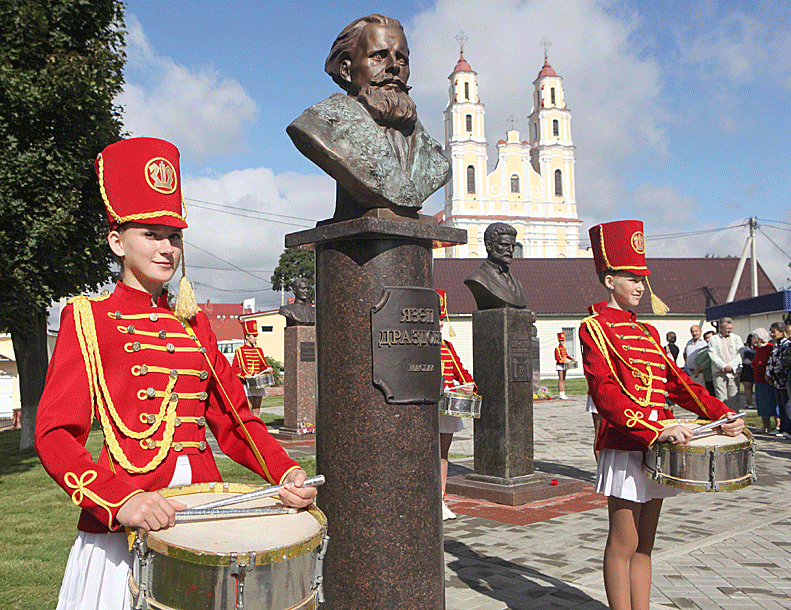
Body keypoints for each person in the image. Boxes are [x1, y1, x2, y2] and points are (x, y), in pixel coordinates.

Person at [35, 138, 317, 610]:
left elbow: (235, 420)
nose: (167, 248)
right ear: (116, 241)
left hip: (201, 514)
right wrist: (120, 501)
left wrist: (284, 470)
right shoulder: (88, 319)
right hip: (123, 520)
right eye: (151, 234)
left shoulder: (195, 324)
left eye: (175, 236)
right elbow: (54, 434)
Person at [580, 219, 742, 610]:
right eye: (632, 278)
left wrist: (724, 415)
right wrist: (657, 428)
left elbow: (681, 386)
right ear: (609, 280)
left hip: (660, 444)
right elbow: (606, 395)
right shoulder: (594, 329)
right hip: (627, 444)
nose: (640, 287)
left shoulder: (650, 334)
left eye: (642, 279)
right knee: (624, 542)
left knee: (646, 544)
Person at [287, 14, 450, 220]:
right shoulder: (319, 125)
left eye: (402, 59)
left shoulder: (436, 158)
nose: (394, 66)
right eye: (379, 56)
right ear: (346, 71)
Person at [436, 289, 476, 521]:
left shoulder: (448, 348)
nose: (439, 325)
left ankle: (441, 498)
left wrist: (469, 386)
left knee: (443, 454)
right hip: (427, 408)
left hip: (447, 407)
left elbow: (463, 375)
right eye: (435, 320)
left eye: (441, 320)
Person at [464, 222, 527, 310]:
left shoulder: (517, 284)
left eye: (513, 246)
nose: (511, 250)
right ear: (489, 245)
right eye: (504, 245)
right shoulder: (478, 278)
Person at [231, 318, 274, 417]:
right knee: (248, 408)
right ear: (247, 336)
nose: (255, 338)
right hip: (247, 383)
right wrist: (245, 375)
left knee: (257, 409)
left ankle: (256, 430)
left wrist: (269, 369)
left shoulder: (259, 350)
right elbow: (234, 368)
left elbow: (263, 366)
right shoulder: (240, 350)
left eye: (256, 336)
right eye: (254, 336)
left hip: (258, 383)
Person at [707, 317, 744, 408]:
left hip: (733, 373)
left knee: (733, 399)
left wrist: (731, 366)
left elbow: (740, 353)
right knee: (721, 399)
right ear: (721, 328)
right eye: (727, 329)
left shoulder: (736, 338)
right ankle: (724, 419)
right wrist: (724, 366)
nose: (729, 331)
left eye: (731, 328)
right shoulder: (713, 339)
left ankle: (734, 419)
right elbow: (713, 355)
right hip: (719, 373)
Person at [751, 327, 777, 434]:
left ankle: (778, 425)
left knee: (773, 402)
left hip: (768, 380)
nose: (752, 339)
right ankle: (766, 426)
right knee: (762, 404)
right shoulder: (757, 348)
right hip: (758, 380)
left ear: (758, 338)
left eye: (753, 337)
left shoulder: (770, 347)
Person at [766, 322, 790, 436]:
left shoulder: (786, 344)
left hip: (783, 378)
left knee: (786, 403)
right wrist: (769, 374)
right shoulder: (776, 344)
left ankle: (788, 428)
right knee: (779, 403)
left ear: (781, 332)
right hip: (775, 379)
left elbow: (781, 361)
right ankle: (782, 427)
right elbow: (772, 360)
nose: (772, 334)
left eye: (774, 332)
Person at [555, 332, 574, 400]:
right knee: (560, 379)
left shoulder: (564, 348)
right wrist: (563, 361)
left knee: (563, 379)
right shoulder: (557, 348)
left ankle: (563, 392)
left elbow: (566, 355)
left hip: (564, 365)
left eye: (563, 340)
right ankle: (561, 393)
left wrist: (571, 359)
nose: (562, 342)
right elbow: (557, 358)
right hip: (560, 365)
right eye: (561, 340)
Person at [740, 333, 756, 408]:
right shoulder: (745, 348)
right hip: (746, 367)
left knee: (753, 386)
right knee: (747, 386)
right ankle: (749, 403)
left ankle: (752, 402)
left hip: (754, 368)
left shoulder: (757, 347)